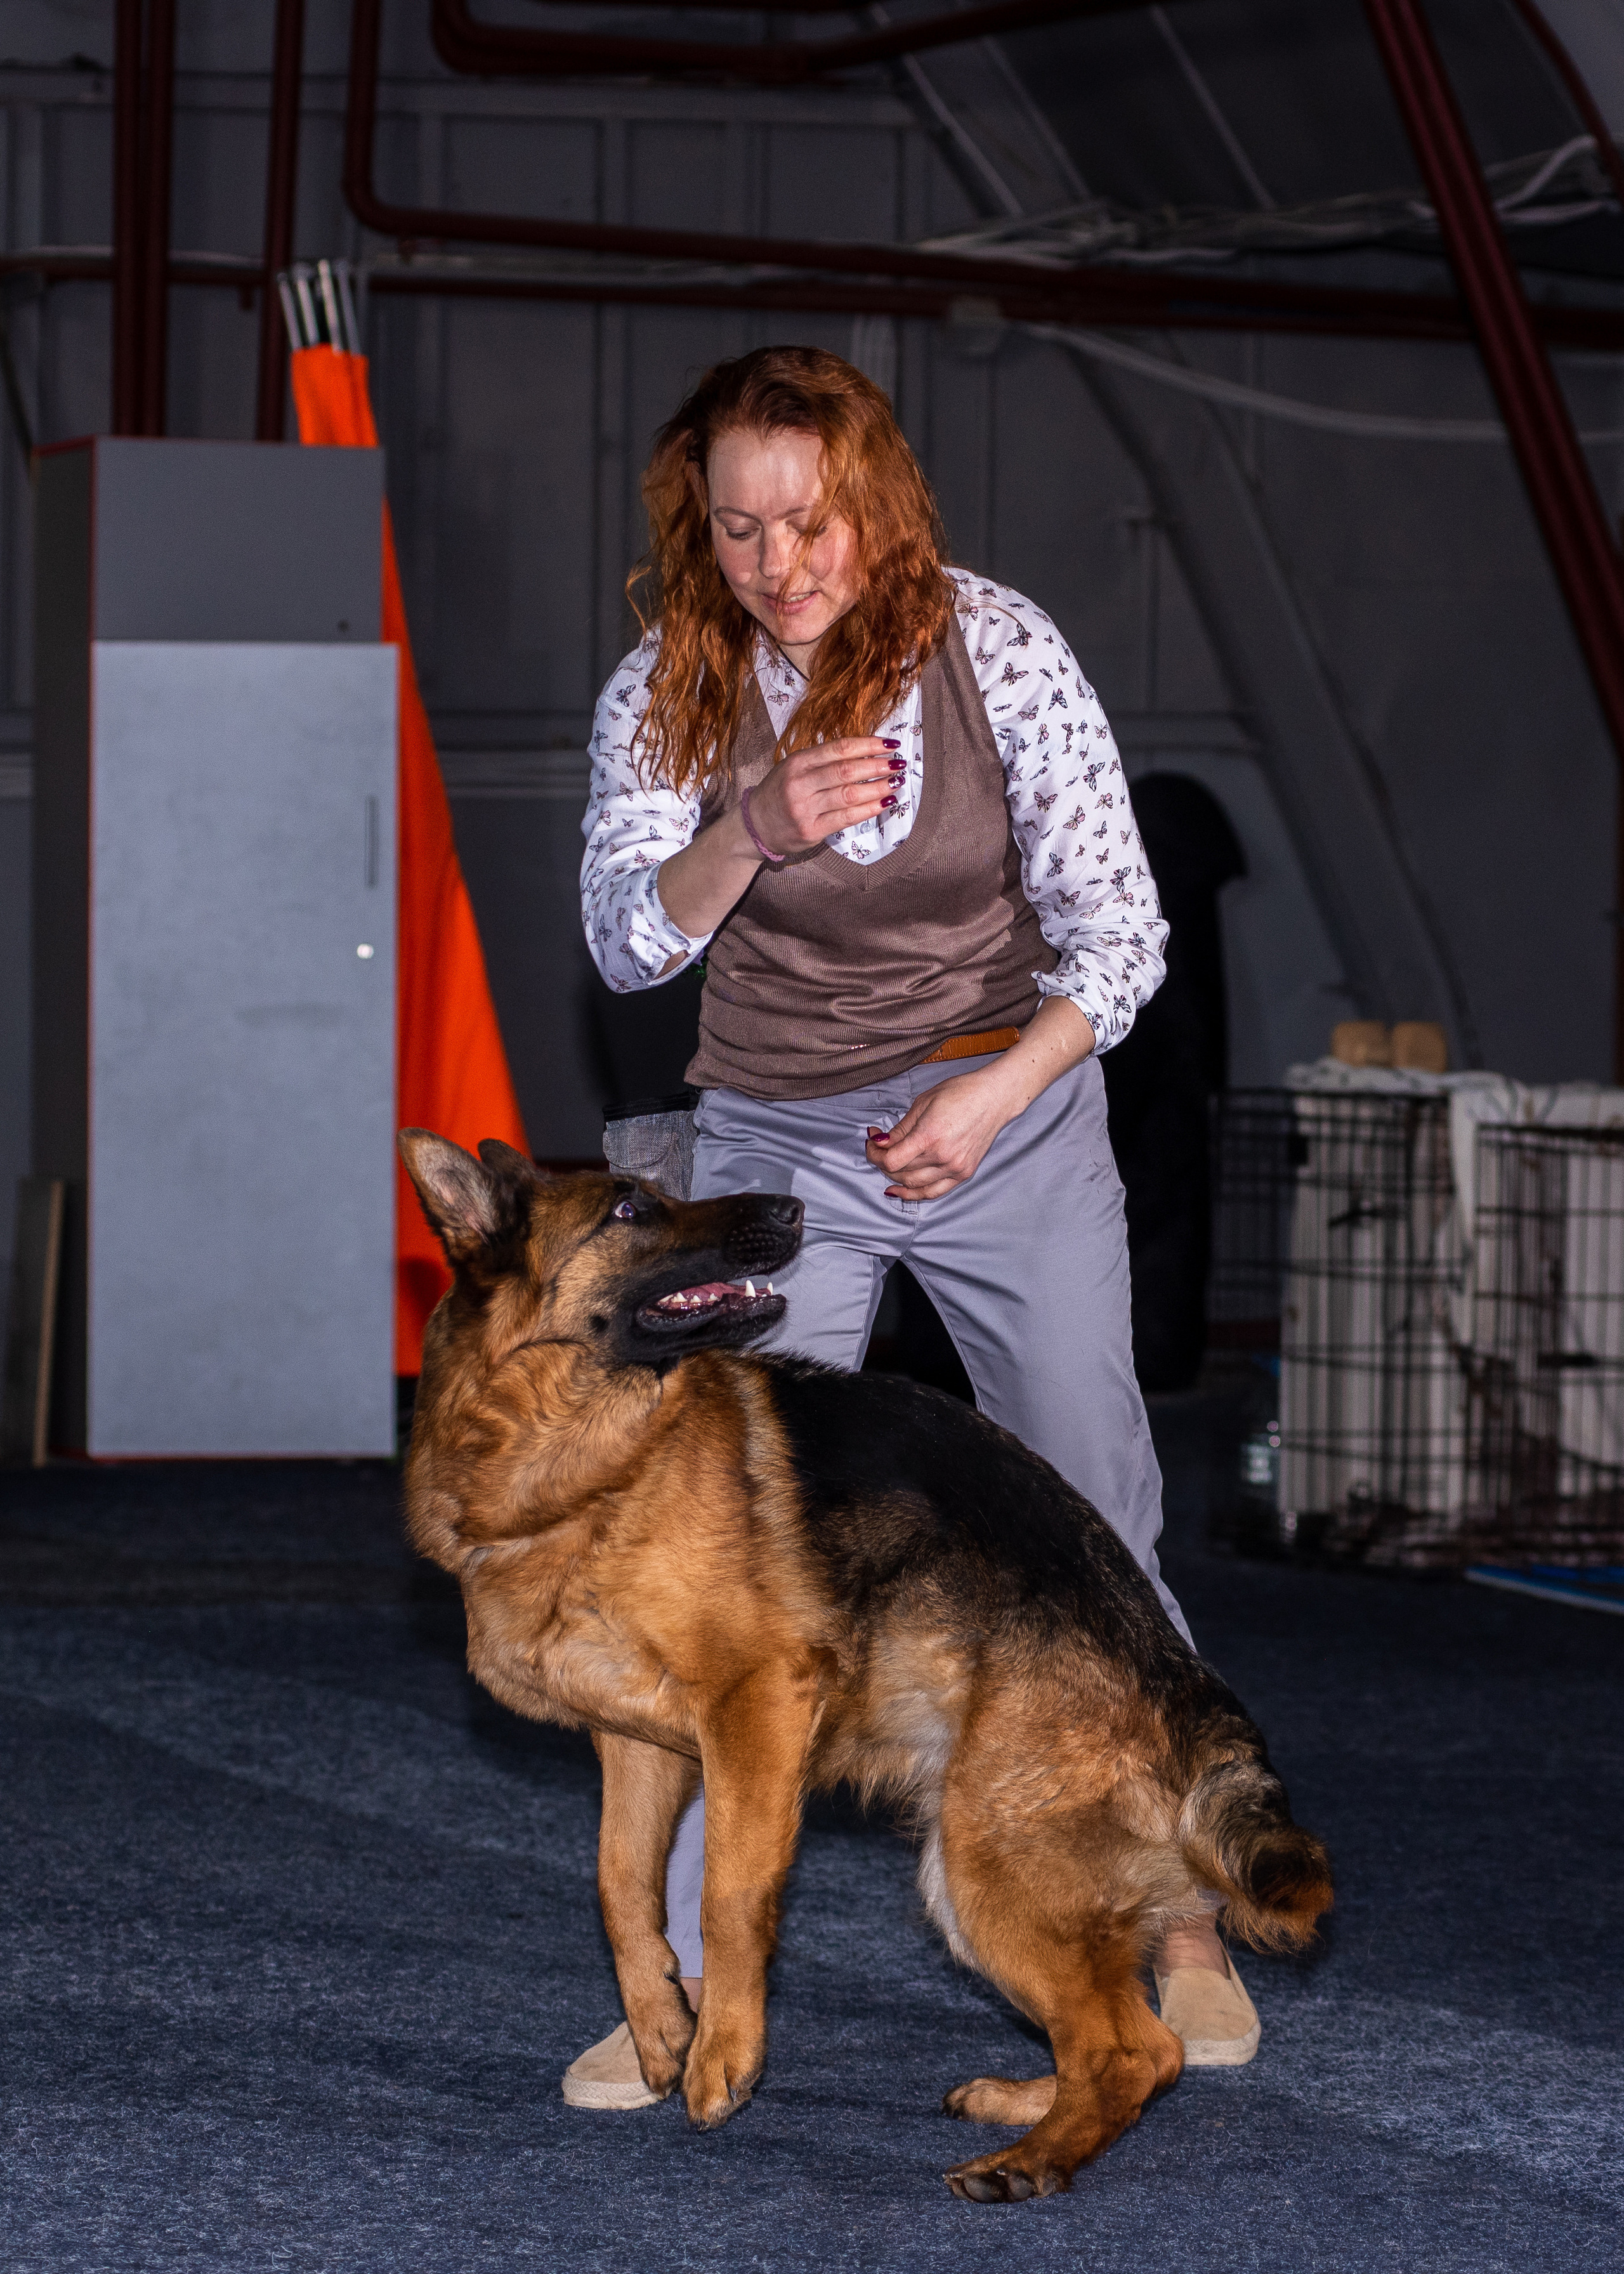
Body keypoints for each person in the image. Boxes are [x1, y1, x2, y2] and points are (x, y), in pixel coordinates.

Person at [566, 346, 1257, 2110]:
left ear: (873, 500)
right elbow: (630, 943)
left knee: (1094, 1485)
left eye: (810, 520)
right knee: (734, 1547)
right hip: (782, 1133)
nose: (780, 562)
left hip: (999, 1111)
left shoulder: (1002, 649)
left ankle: (1175, 1907)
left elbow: (1122, 937)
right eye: (738, 530)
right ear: (697, 530)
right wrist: (753, 822)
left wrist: (988, 1098)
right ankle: (700, 1983)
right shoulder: (669, 686)